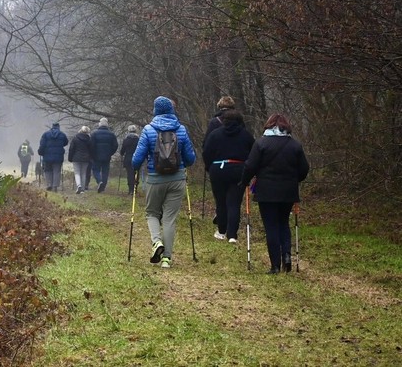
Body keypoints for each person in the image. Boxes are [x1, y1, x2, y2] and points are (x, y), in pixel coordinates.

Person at [240, 114, 309, 274]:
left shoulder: (261, 143)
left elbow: (250, 166)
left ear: (269, 126)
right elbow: (304, 170)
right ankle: (287, 257)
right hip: (288, 192)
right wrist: (294, 179)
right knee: (283, 223)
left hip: (266, 192)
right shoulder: (295, 145)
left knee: (271, 226)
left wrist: (244, 181)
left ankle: (275, 265)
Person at [132, 96, 196, 268]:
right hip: (177, 179)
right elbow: (191, 159)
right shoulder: (181, 129)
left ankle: (156, 242)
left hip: (154, 179)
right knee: (169, 219)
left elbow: (136, 160)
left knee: (152, 213)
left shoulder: (148, 129)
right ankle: (167, 258)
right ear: (172, 110)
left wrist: (138, 167)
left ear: (155, 110)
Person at [202, 110, 254, 243]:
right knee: (234, 203)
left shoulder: (215, 134)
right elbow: (253, 154)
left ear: (224, 121)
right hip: (238, 170)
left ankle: (221, 231)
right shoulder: (246, 135)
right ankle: (232, 235)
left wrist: (209, 167)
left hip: (218, 169)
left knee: (221, 202)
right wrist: (249, 170)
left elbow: (206, 152)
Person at [38, 122, 69, 191]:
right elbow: (66, 142)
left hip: (47, 156)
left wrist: (40, 152)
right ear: (58, 127)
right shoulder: (62, 134)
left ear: (52, 127)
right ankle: (55, 186)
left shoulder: (46, 134)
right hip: (58, 156)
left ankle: (49, 184)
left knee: (47, 170)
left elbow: (42, 145)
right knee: (57, 171)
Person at [90, 117, 118, 193]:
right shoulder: (112, 134)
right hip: (107, 156)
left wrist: (92, 154)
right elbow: (115, 145)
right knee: (105, 171)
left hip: (96, 156)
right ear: (107, 125)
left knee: (96, 170)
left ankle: (99, 181)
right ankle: (103, 187)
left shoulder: (94, 134)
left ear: (99, 124)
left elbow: (91, 145)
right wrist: (110, 153)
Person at [68, 126, 93, 194]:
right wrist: (91, 157)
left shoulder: (75, 138)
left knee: (77, 173)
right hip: (86, 158)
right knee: (83, 173)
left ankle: (78, 185)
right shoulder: (89, 139)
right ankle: (82, 189)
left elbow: (71, 149)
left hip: (76, 158)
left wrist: (70, 158)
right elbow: (91, 150)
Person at [120, 125, 140, 195]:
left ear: (128, 131)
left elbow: (122, 150)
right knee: (136, 173)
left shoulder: (126, 139)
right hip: (137, 158)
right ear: (136, 131)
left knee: (129, 174)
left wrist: (122, 153)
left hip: (128, 158)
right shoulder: (138, 139)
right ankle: (135, 188)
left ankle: (130, 190)